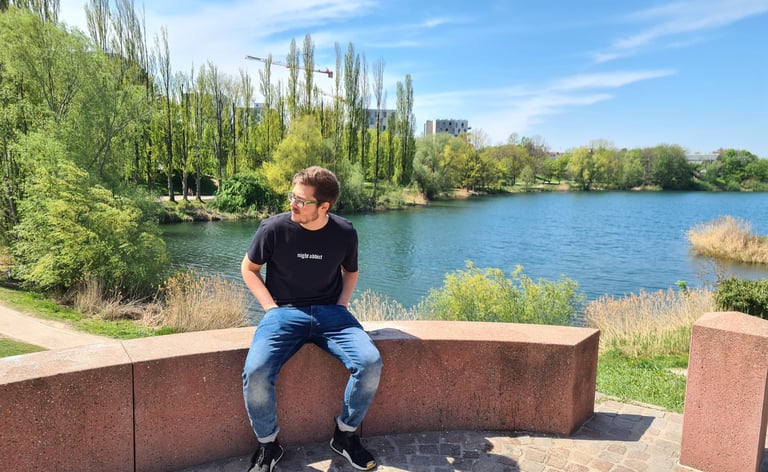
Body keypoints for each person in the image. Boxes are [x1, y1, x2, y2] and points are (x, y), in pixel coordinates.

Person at [241, 166, 383, 472]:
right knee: (255, 371)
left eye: (301, 200)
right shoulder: (273, 229)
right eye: (292, 196)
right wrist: (269, 307)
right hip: (284, 313)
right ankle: (268, 444)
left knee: (370, 362)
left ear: (324, 207)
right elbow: (249, 269)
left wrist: (342, 304)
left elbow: (351, 270)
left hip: (332, 314)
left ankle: (345, 436)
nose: (293, 204)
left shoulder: (345, 232)